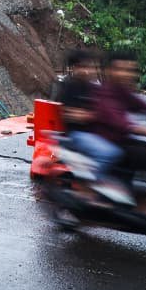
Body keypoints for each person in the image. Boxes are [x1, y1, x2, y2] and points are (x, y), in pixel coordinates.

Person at [91, 50, 146, 209]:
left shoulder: (122, 91)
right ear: (108, 70)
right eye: (120, 69)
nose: (126, 74)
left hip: (123, 140)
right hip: (111, 142)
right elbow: (120, 123)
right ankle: (145, 202)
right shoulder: (104, 93)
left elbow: (142, 106)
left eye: (130, 70)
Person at [54, 49, 130, 205]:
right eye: (81, 67)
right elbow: (70, 114)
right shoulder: (68, 87)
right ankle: (89, 189)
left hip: (94, 131)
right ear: (73, 68)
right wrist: (95, 114)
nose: (86, 70)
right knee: (109, 153)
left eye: (88, 66)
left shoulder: (92, 87)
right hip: (77, 134)